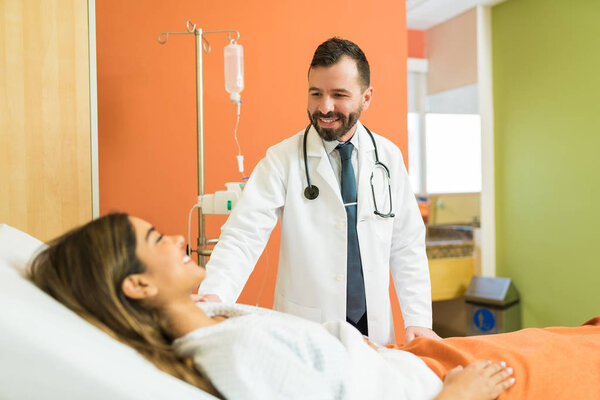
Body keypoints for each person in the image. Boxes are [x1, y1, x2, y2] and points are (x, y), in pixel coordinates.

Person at [29, 213, 600, 400]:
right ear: (138, 287)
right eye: (158, 240)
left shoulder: (218, 324)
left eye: (339, 94)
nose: (178, 239)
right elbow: (248, 225)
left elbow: (405, 242)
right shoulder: (233, 353)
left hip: (419, 358)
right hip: (445, 383)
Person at [197, 37, 437, 344]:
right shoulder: (281, 159)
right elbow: (243, 235)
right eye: (316, 93)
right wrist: (214, 293)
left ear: (366, 97)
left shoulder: (388, 157)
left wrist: (418, 319)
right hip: (307, 328)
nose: (325, 107)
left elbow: (407, 244)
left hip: (373, 327)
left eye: (339, 95)